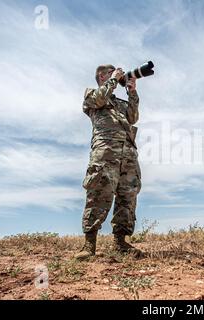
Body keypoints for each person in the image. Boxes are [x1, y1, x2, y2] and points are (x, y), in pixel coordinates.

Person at [75, 64, 142, 260]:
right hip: (105, 153)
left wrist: (132, 92)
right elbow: (99, 99)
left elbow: (133, 117)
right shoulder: (92, 95)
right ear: (102, 76)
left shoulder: (119, 103)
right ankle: (89, 244)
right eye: (112, 72)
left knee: (127, 197)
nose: (118, 75)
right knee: (98, 193)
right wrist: (114, 80)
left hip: (128, 155)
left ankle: (120, 242)